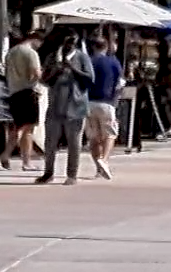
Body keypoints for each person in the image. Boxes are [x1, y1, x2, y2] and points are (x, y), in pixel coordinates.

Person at [40, 30, 93, 184]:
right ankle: (48, 173)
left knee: (74, 143)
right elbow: (44, 80)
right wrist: (56, 72)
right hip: (55, 105)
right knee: (50, 142)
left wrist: (73, 68)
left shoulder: (82, 58)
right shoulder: (52, 57)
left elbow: (90, 79)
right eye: (66, 41)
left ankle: (72, 175)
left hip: (75, 107)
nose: (69, 45)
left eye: (72, 41)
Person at [2, 30, 42, 171]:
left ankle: (6, 154)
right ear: (36, 40)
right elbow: (36, 73)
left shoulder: (11, 53)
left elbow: (5, 72)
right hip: (28, 92)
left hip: (14, 91)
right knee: (28, 129)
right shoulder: (31, 53)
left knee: (17, 126)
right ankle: (26, 162)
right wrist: (35, 83)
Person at [85, 36, 122, 179]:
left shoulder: (88, 61)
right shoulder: (113, 62)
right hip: (107, 102)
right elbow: (120, 83)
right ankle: (104, 160)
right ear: (106, 46)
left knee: (93, 137)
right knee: (110, 134)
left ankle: (98, 168)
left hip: (89, 102)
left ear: (93, 47)